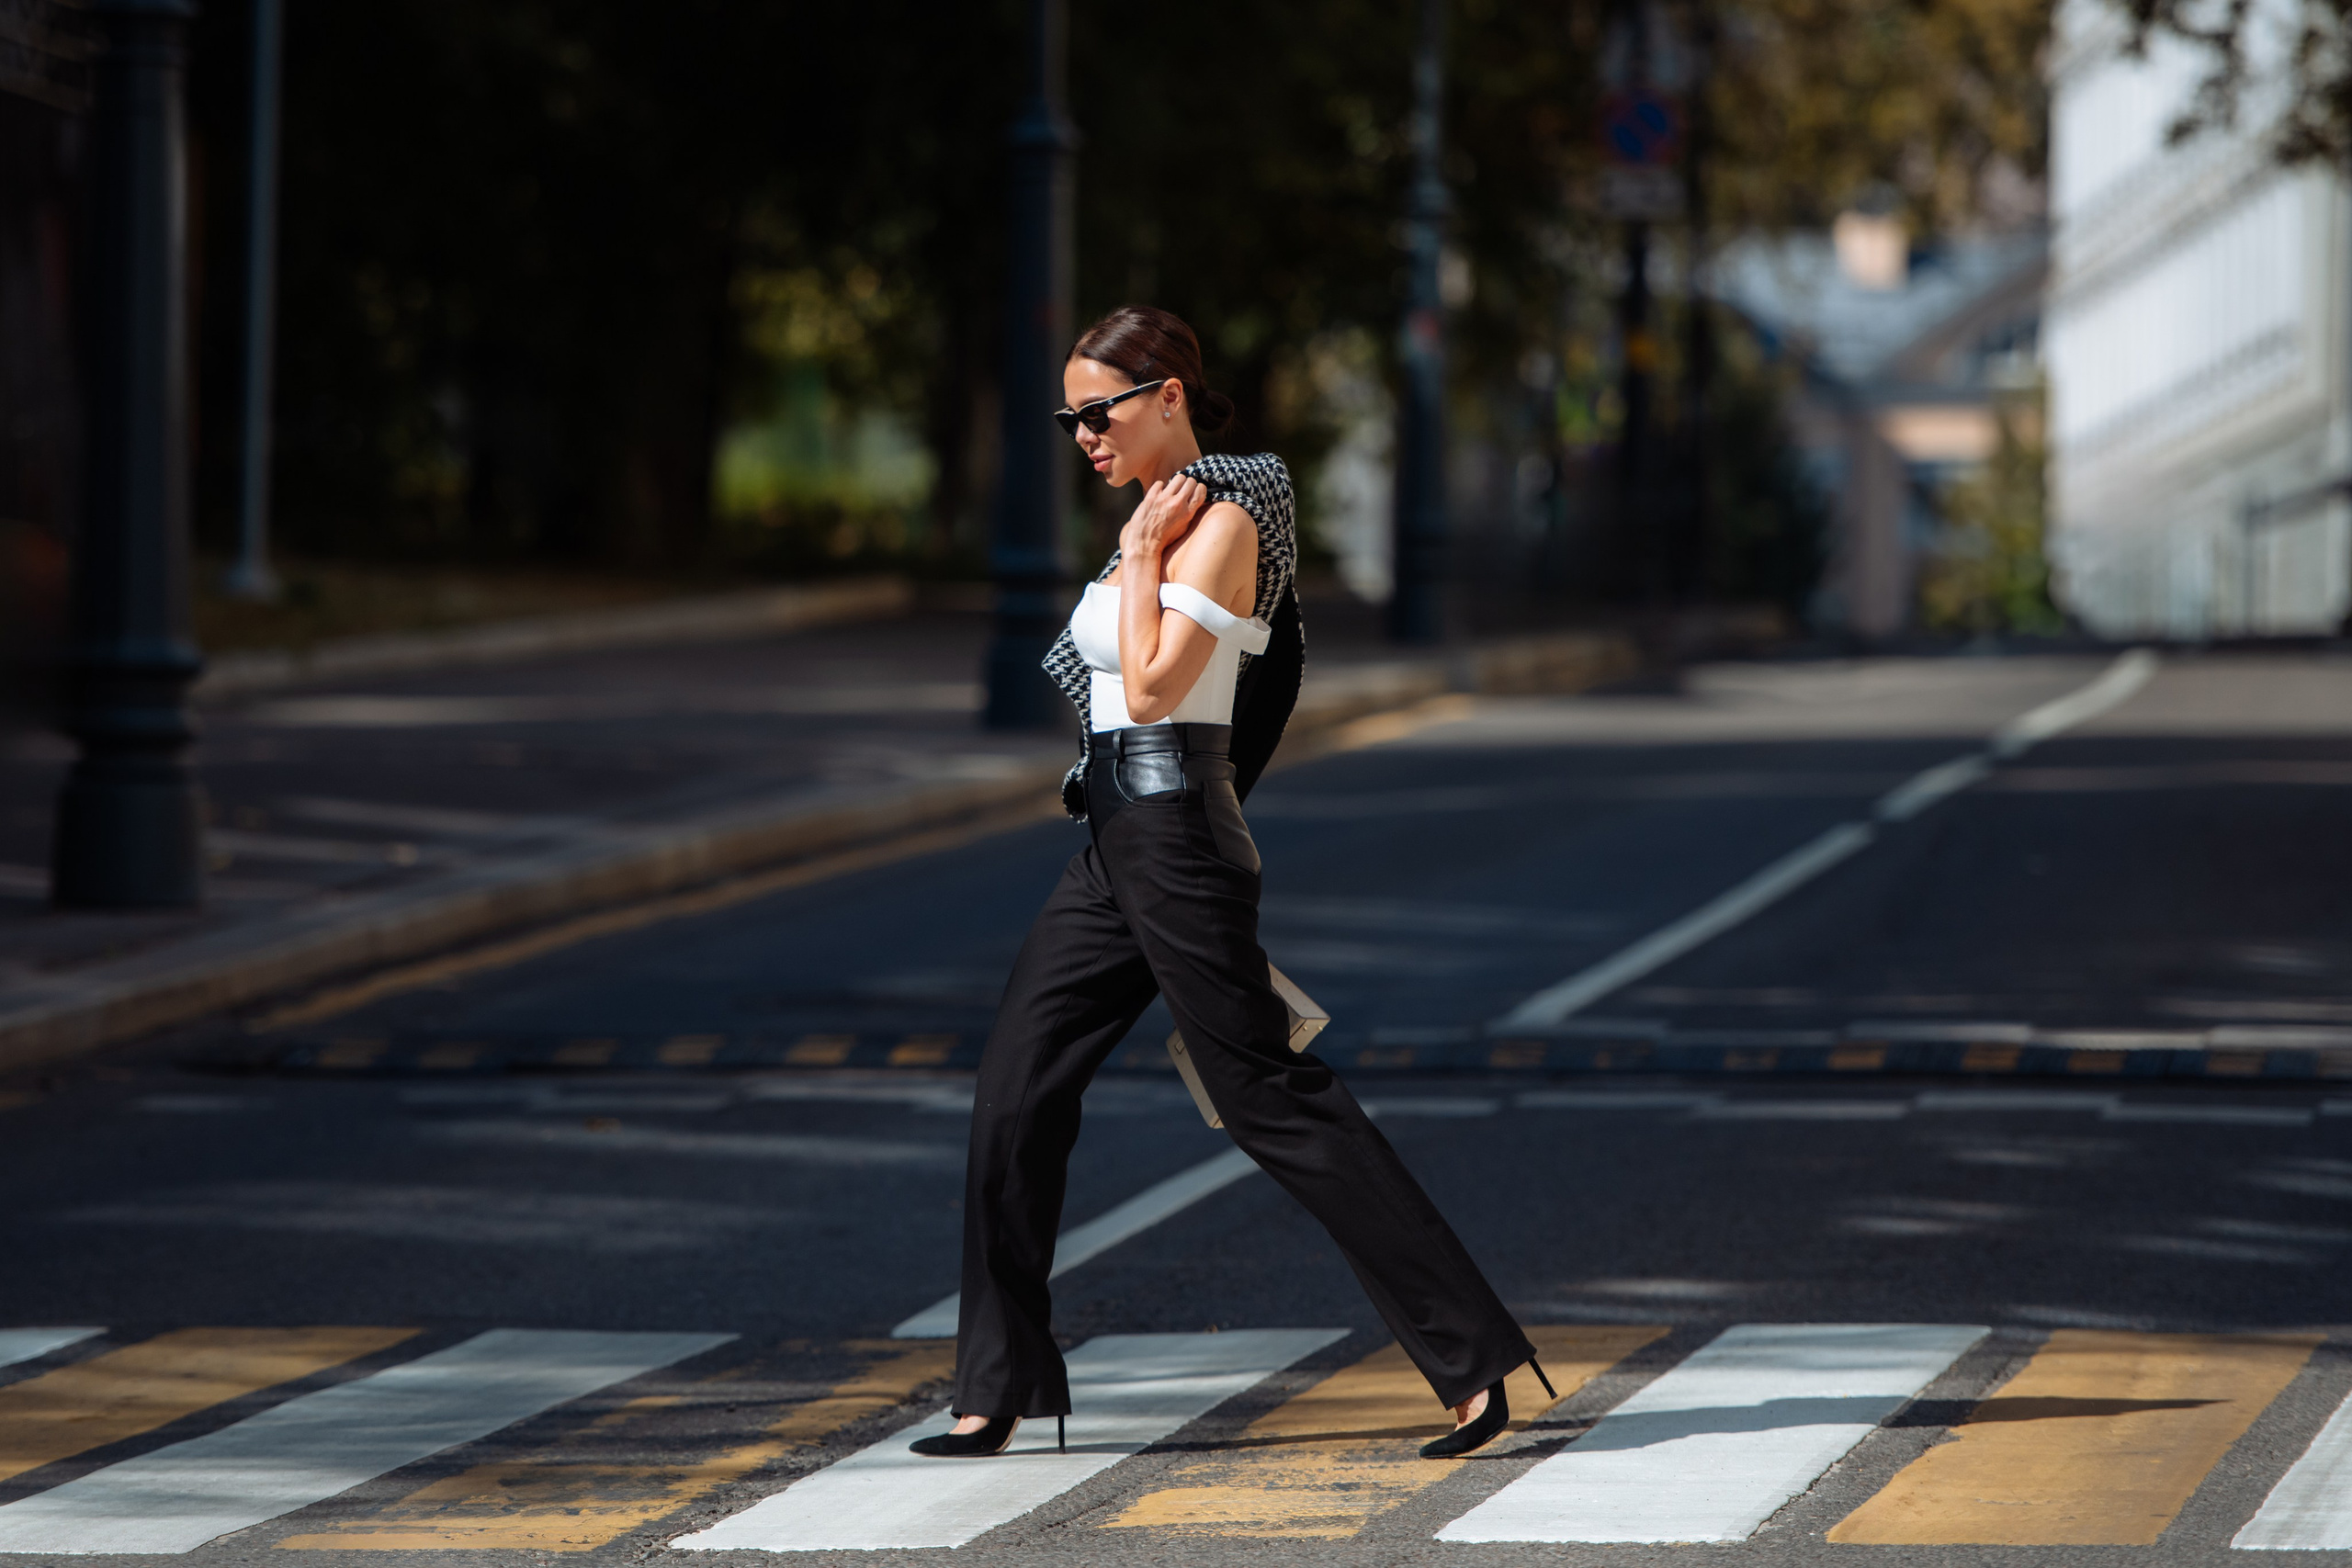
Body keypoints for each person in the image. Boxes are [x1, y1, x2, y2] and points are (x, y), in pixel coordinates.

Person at [912, 305, 1542, 1462]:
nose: (1081, 437)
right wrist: (1136, 551)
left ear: (1167, 398)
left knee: (1268, 1099)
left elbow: (1152, 691)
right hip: (1113, 837)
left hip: (1178, 835)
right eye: (1068, 419)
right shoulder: (1145, 523)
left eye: (1096, 413)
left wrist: (1147, 559)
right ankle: (995, 1388)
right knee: (1012, 1093)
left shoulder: (1229, 517)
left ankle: (1475, 1362)